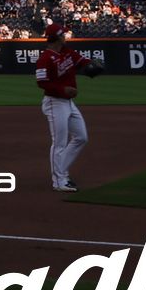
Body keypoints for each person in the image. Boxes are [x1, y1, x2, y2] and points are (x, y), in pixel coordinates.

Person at [35, 22, 101, 192]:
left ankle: (61, 172)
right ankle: (59, 181)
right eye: (62, 34)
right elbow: (42, 83)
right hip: (54, 102)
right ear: (56, 37)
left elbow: (83, 62)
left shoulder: (67, 52)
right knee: (59, 143)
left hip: (68, 103)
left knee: (81, 137)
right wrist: (62, 89)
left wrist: (92, 66)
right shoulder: (45, 58)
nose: (65, 36)